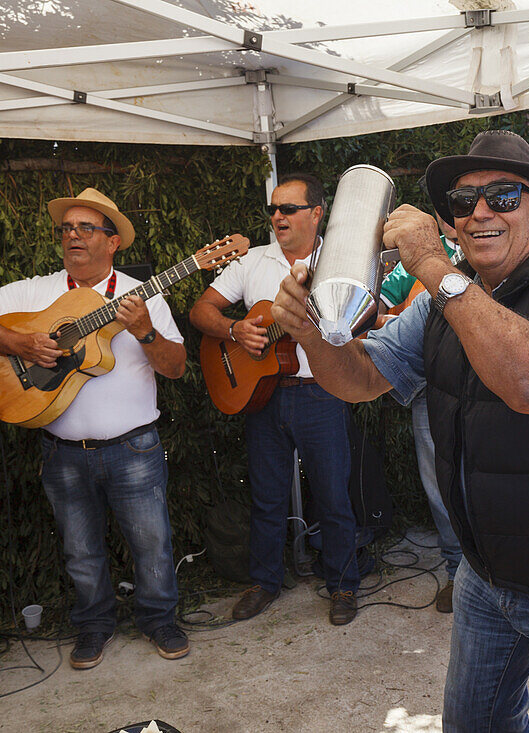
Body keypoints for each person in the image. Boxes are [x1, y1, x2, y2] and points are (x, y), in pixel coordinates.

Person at [271, 130, 529, 732]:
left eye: (503, 196)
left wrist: (429, 264)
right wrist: (310, 332)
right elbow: (360, 379)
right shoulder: (445, 303)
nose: (478, 212)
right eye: (462, 201)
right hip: (487, 571)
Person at [0, 187, 193, 669]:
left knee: (153, 545)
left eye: (86, 228)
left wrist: (144, 331)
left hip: (134, 448)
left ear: (113, 241)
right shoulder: (36, 290)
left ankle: (160, 619)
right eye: (66, 228)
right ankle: (94, 625)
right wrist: (20, 344)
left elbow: (177, 367)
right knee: (80, 549)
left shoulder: (143, 299)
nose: (73, 236)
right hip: (62, 450)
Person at [189, 172, 360, 626]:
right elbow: (200, 310)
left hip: (321, 393)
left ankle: (343, 583)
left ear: (317, 213)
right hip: (262, 396)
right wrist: (234, 329)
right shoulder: (252, 262)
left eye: (288, 209)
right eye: (273, 209)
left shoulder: (340, 263)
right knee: (266, 496)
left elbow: (365, 314)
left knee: (332, 495)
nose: (277, 217)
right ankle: (263, 582)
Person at [379, 207, 463, 614]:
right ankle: (455, 572)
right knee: (438, 485)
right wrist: (395, 319)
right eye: (445, 208)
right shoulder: (414, 255)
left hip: (482, 382)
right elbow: (378, 305)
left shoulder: (488, 250)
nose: (454, 217)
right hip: (430, 386)